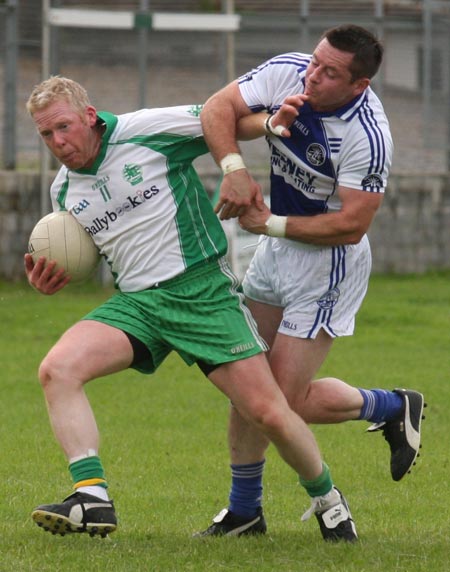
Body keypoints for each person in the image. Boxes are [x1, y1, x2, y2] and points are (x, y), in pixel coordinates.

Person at [24, 76, 357, 542]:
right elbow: (86, 255)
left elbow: (218, 119)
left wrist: (269, 124)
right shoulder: (64, 194)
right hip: (138, 304)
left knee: (269, 413)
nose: (58, 142)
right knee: (57, 369)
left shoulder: (145, 131)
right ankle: (92, 496)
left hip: (201, 293)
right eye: (46, 134)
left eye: (63, 127)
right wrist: (51, 278)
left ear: (89, 116)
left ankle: (327, 500)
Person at [196, 24, 425, 537]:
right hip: (276, 252)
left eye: (330, 73)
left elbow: (352, 225)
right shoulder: (289, 71)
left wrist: (268, 223)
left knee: (280, 400)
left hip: (326, 266)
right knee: (248, 385)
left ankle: (390, 405)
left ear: (358, 84)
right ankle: (245, 512)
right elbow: (216, 108)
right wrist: (234, 166)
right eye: (316, 62)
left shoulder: (367, 134)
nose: (313, 76)